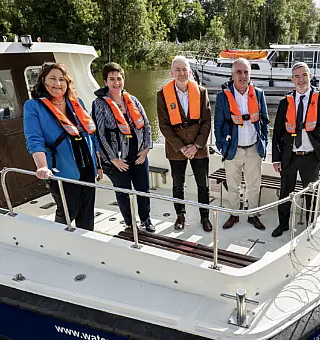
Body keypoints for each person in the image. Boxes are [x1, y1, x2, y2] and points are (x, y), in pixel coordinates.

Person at [23, 62, 102, 231]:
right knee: (68, 210)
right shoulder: (33, 106)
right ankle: (59, 240)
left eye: (62, 79)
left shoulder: (76, 102)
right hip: (62, 169)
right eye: (52, 79)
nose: (57, 84)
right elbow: (34, 139)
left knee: (87, 212)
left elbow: (91, 134)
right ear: (43, 81)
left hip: (87, 166)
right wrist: (42, 166)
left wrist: (99, 165)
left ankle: (87, 242)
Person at [271, 62, 320, 238]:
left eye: (304, 75)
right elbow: (277, 132)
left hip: (311, 156)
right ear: (292, 80)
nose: (301, 79)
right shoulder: (285, 102)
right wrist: (276, 158)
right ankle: (283, 224)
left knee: (311, 193)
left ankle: (311, 225)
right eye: (297, 76)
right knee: (285, 193)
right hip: (289, 156)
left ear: (310, 76)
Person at [92, 62, 155, 233]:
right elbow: (100, 135)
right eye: (111, 79)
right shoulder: (99, 104)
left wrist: (146, 150)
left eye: (119, 78)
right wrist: (114, 160)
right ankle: (130, 223)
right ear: (105, 82)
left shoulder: (132, 100)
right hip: (117, 160)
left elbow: (147, 126)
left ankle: (146, 219)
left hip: (139, 156)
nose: (116, 82)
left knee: (143, 191)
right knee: (123, 193)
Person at [157, 56, 213, 232]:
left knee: (203, 184)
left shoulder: (201, 92)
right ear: (172, 72)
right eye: (178, 70)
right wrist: (181, 147)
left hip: (199, 147)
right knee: (177, 184)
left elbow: (206, 121)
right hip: (176, 149)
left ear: (190, 72)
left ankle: (205, 217)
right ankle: (180, 215)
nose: (181, 73)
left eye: (184, 70)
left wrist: (196, 146)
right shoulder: (162, 95)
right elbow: (164, 125)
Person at [214, 58, 269, 230]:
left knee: (254, 186)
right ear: (232, 74)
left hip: (253, 148)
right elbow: (218, 125)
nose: (242, 75)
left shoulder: (259, 94)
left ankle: (253, 214)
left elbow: (265, 121)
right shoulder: (223, 97)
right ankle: (234, 214)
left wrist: (264, 142)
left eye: (246, 72)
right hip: (232, 150)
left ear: (250, 74)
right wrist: (222, 146)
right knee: (232, 186)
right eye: (239, 72)